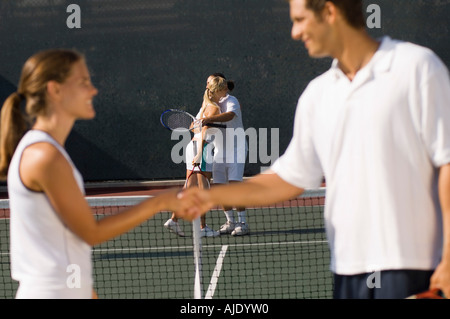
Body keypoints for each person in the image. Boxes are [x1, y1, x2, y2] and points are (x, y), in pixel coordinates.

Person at [180, 0, 450, 299]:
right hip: (348, 270)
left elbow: (447, 166)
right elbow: (286, 180)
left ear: (330, 12)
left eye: (300, 19)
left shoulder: (417, 67)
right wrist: (202, 196)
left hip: (415, 266)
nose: (295, 32)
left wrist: (449, 261)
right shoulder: (317, 94)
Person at [0, 49, 194, 299]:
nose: (93, 90)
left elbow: (65, 244)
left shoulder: (47, 151)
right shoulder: (44, 157)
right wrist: (161, 201)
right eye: (83, 82)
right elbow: (89, 232)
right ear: (55, 90)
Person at [164, 79, 228, 238]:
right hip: (202, 149)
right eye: (223, 90)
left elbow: (193, 128)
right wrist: (200, 153)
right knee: (203, 190)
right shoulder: (213, 108)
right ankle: (202, 227)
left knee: (189, 189)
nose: (225, 93)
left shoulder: (203, 108)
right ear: (216, 91)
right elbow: (204, 132)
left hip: (192, 148)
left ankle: (174, 219)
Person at [201, 73, 249, 236]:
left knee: (235, 187)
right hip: (219, 150)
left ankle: (242, 223)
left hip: (237, 149)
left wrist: (209, 119)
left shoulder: (231, 100)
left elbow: (229, 115)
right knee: (220, 188)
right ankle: (230, 222)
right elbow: (201, 121)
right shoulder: (209, 104)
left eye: (210, 82)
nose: (207, 85)